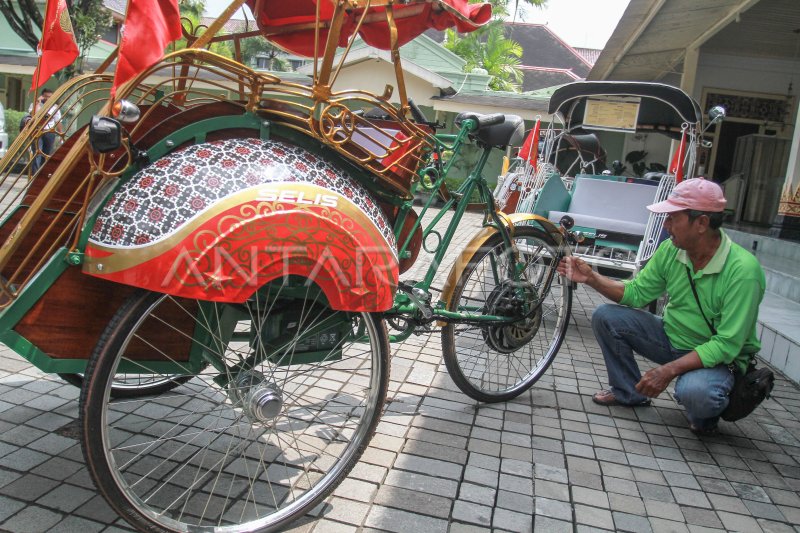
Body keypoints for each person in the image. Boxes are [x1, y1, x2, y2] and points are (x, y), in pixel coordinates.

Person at [557, 178, 765, 435]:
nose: (666, 226)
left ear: (701, 223)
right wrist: (591, 278)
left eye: (672, 219)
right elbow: (636, 293)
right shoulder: (671, 250)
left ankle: (706, 408)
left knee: (697, 395)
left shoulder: (743, 271)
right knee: (605, 316)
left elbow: (727, 344)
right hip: (671, 337)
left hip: (716, 360)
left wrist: (667, 372)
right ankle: (628, 392)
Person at [28, 88, 63, 173]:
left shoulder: (54, 107)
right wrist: (37, 103)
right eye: (46, 96)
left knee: (46, 154)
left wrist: (61, 133)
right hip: (37, 132)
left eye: (50, 97)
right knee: (37, 153)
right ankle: (34, 174)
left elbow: (58, 121)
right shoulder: (35, 105)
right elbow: (33, 115)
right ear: (42, 96)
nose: (47, 98)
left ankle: (42, 173)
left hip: (49, 132)